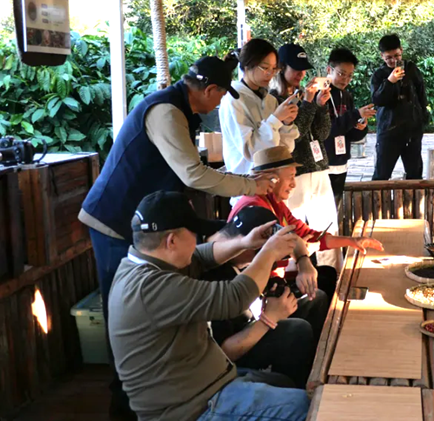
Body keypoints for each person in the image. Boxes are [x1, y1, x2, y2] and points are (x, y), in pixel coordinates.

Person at [79, 55, 275, 419]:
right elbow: (193, 175)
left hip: (142, 224)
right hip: (114, 222)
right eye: (221, 96)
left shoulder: (183, 110)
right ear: (209, 89)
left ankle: (173, 385)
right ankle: (127, 409)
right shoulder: (166, 112)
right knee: (123, 318)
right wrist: (250, 185)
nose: (220, 104)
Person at [107, 191, 309, 421]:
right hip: (193, 408)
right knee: (306, 408)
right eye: (194, 233)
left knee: (284, 383)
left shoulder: (140, 264)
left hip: (207, 385)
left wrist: (244, 242)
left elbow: (201, 256)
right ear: (171, 241)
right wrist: (269, 252)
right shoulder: (150, 288)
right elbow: (235, 296)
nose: (199, 240)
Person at [231, 146, 384, 298]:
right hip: (258, 288)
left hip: (275, 277)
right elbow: (265, 256)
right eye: (291, 177)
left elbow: (307, 234)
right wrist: (302, 255)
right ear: (272, 179)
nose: (294, 184)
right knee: (319, 295)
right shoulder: (255, 208)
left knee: (327, 274)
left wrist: (352, 241)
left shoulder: (275, 203)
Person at [203, 206, 329, 388]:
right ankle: (300, 390)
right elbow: (224, 352)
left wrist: (303, 261)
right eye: (262, 253)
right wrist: (270, 317)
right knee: (297, 331)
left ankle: (318, 368)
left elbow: (294, 240)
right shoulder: (214, 280)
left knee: (315, 299)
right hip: (236, 348)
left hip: (256, 316)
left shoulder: (227, 233)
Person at [270, 43, 340, 270]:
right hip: (294, 172)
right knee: (293, 231)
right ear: (281, 68)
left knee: (328, 227)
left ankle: (332, 276)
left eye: (303, 69)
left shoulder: (303, 95)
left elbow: (322, 133)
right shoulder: (274, 100)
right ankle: (291, 278)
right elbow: (295, 134)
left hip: (318, 167)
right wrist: (309, 103)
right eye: (296, 68)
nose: (301, 74)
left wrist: (320, 106)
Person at [219, 39, 301, 204]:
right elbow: (251, 151)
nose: (269, 74)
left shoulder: (270, 100)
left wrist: (286, 124)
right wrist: (275, 120)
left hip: (274, 189)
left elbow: (284, 151)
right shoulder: (233, 100)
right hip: (247, 190)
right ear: (247, 66)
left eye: (274, 69)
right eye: (265, 67)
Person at [370, 34, 428, 181]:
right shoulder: (379, 75)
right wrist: (390, 81)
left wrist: (422, 118)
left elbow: (421, 95)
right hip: (388, 130)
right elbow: (377, 100)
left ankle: (413, 198)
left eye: (397, 56)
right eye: (389, 57)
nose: (393, 60)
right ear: (382, 56)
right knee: (381, 175)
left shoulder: (411, 69)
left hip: (412, 130)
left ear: (401, 50)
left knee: (415, 175)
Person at [323, 48, 376, 209]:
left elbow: (351, 134)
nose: (345, 79)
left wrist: (361, 126)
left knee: (335, 210)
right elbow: (326, 130)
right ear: (329, 69)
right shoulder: (319, 95)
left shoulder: (346, 96)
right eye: (341, 74)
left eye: (350, 75)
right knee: (321, 212)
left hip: (341, 161)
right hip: (322, 163)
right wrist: (356, 114)